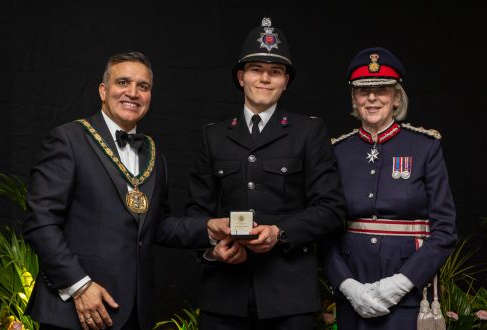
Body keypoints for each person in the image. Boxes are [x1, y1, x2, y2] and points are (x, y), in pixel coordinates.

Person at [23, 51, 227, 330]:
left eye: (143, 86)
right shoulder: (68, 139)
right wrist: (79, 286)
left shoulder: (154, 155)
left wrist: (209, 229)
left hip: (133, 314)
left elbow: (157, 227)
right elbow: (40, 222)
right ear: (103, 90)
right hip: (74, 312)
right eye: (123, 83)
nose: (133, 93)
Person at [186, 18, 346, 329]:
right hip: (223, 296)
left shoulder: (309, 131)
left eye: (275, 72)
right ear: (241, 76)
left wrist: (280, 233)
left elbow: (331, 209)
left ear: (286, 81)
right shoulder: (213, 136)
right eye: (256, 69)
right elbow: (196, 211)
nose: (265, 79)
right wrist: (212, 250)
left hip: (288, 297)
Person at [323, 47, 457, 329]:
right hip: (353, 287)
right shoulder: (336, 152)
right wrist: (347, 285)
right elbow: (324, 228)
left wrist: (402, 283)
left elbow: (444, 230)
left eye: (382, 89)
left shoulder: (425, 147)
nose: (372, 98)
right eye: (363, 90)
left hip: (409, 291)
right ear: (354, 98)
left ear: (396, 98)